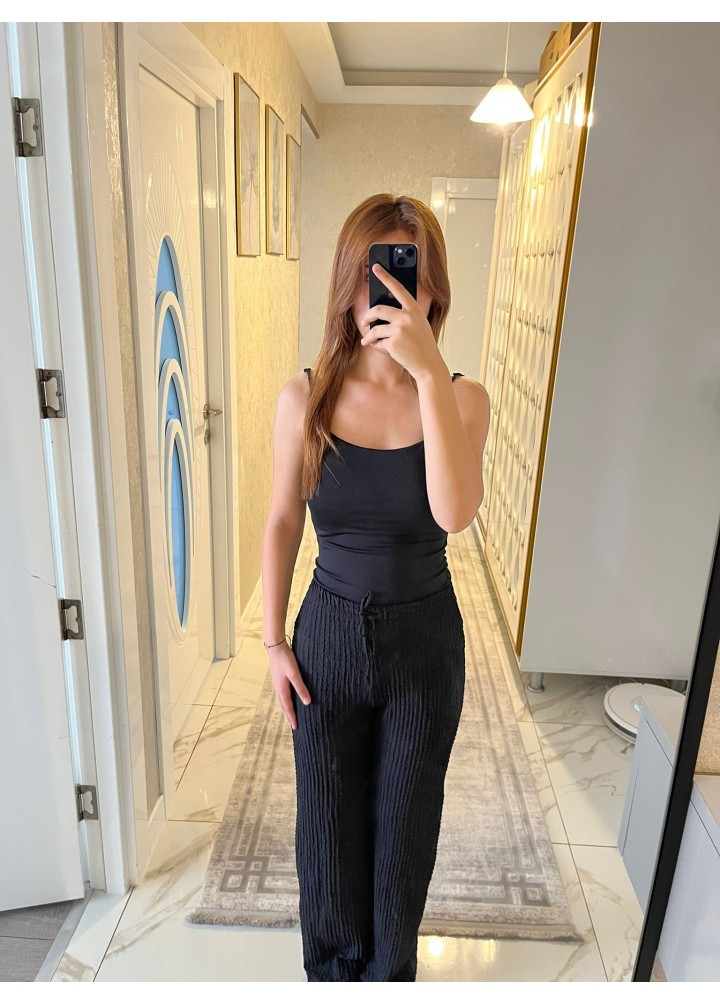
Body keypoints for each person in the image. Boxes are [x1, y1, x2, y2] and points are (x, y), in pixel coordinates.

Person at [261, 193, 490, 981]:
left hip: (426, 643)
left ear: (433, 291)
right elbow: (282, 520)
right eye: (372, 274)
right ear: (345, 284)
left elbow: (453, 513)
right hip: (327, 635)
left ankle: (389, 979)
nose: (386, 293)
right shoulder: (306, 397)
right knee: (327, 833)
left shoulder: (463, 399)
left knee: (404, 836)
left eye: (405, 275)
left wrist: (425, 374)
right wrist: (273, 641)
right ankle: (332, 977)